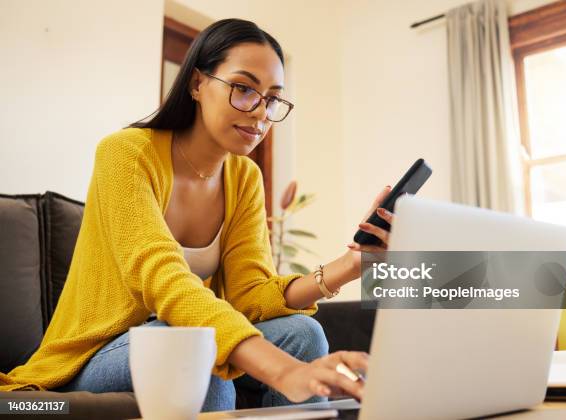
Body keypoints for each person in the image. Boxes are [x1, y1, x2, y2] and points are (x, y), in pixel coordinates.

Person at [0, 18, 395, 411]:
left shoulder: (243, 177)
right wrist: (283, 372)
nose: (260, 113)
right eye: (243, 89)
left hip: (181, 333)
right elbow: (165, 281)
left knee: (304, 333)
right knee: (193, 347)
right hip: (96, 354)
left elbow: (250, 294)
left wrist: (350, 265)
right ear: (196, 84)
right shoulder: (126, 153)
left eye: (272, 98)